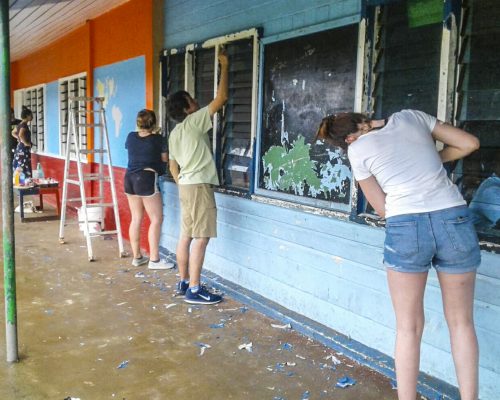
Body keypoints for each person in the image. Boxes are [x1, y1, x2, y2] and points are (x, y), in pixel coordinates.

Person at [316, 110, 481, 400]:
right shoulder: (411, 117)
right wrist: (430, 158)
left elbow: (381, 208)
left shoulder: (357, 150)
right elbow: (469, 144)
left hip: (406, 224)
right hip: (453, 218)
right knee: (462, 323)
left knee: (408, 327)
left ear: (349, 137)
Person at [166, 48, 229, 305]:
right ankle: (194, 289)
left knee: (186, 235)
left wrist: (183, 183)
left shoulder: (174, 133)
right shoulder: (194, 121)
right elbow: (221, 98)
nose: (196, 101)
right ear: (187, 107)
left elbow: (172, 167)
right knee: (201, 237)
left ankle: (183, 282)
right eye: (192, 99)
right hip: (199, 185)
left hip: (185, 186)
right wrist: (224, 65)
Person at [124, 109, 174, 270]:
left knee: (136, 218)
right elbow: (164, 159)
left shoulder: (131, 137)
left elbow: (138, 148)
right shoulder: (158, 139)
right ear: (154, 123)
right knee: (156, 219)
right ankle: (154, 260)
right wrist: (156, 136)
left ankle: (137, 257)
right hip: (146, 179)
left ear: (138, 123)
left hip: (129, 178)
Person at [12, 106, 33, 178]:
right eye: (31, 115)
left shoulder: (19, 124)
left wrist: (19, 139)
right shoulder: (24, 125)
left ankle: (19, 182)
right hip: (23, 150)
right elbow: (21, 134)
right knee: (23, 166)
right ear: (27, 116)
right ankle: (24, 185)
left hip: (19, 148)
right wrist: (25, 142)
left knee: (19, 166)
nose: (32, 116)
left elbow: (13, 132)